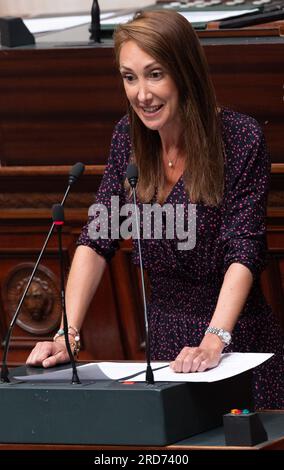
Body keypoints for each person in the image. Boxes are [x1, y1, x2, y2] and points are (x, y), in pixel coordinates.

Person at [26, 10, 283, 409]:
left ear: (185, 72)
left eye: (155, 74)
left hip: (235, 345)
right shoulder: (127, 138)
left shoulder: (239, 138)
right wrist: (68, 333)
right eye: (130, 77)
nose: (141, 94)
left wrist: (215, 339)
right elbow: (97, 238)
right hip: (163, 350)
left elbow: (244, 248)